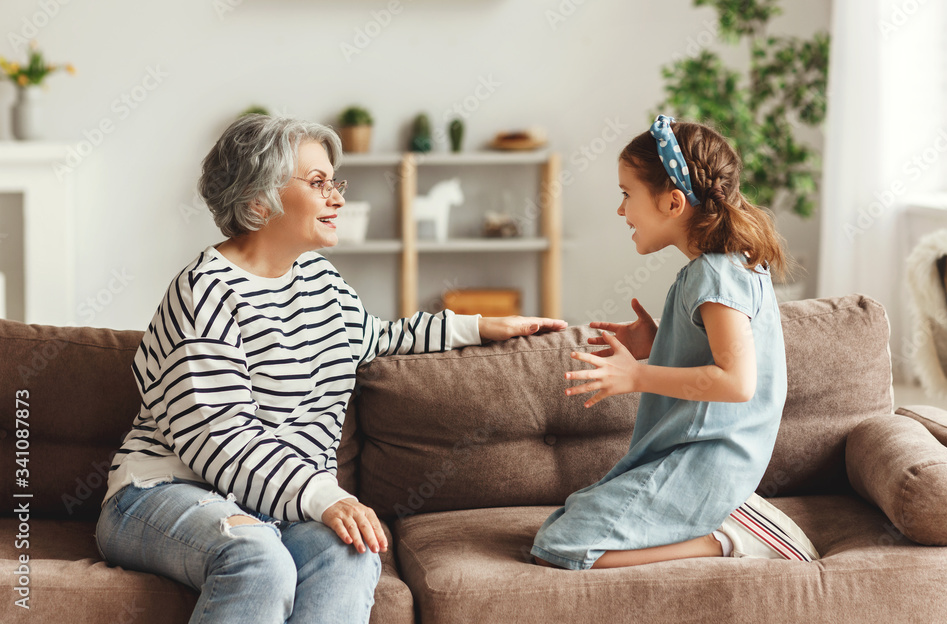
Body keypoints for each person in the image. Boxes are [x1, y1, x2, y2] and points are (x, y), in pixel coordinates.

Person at [95, 114, 567, 623]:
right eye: (318, 183)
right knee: (257, 558)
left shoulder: (319, 278)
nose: (338, 198)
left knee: (350, 552)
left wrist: (477, 327)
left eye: (334, 182)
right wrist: (323, 496)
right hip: (163, 493)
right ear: (258, 201)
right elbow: (219, 438)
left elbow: (374, 337)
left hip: (274, 502)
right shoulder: (204, 292)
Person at [530, 115, 819, 570]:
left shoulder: (715, 273)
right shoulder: (721, 267)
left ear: (673, 202)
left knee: (560, 545)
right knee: (568, 517)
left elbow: (737, 382)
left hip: (708, 462)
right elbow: (725, 355)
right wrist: (661, 342)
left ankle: (734, 537)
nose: (621, 211)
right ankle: (727, 526)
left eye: (627, 194)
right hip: (699, 457)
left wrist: (637, 375)